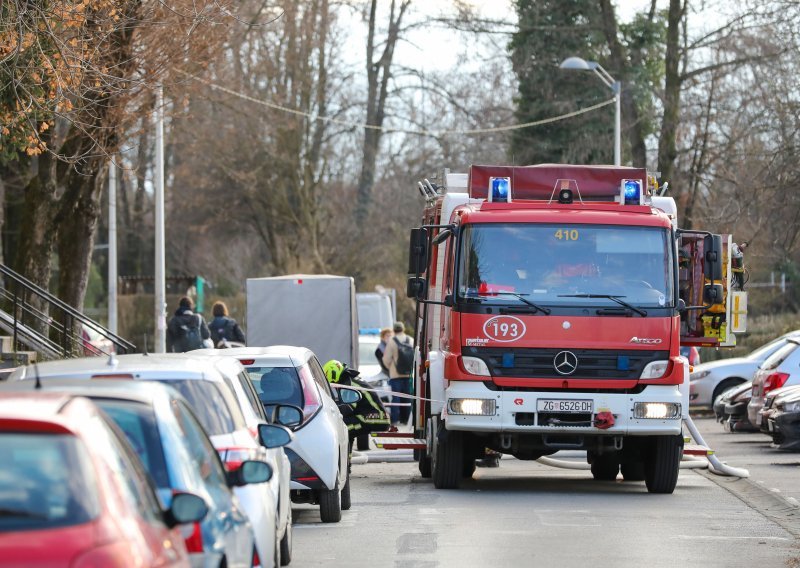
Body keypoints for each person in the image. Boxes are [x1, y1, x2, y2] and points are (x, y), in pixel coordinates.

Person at [322, 359, 389, 442]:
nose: (334, 387)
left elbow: (348, 408)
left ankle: (346, 454)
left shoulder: (348, 384)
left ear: (332, 374)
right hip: (376, 417)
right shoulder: (350, 379)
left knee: (343, 428)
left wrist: (329, 410)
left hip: (376, 418)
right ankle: (348, 454)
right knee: (349, 423)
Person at [382, 321, 414, 432]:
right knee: (408, 397)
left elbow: (386, 359)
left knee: (396, 398)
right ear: (403, 329)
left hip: (396, 375)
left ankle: (395, 420)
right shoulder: (410, 340)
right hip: (409, 374)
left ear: (394, 330)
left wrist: (390, 368)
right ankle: (407, 420)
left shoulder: (392, 341)